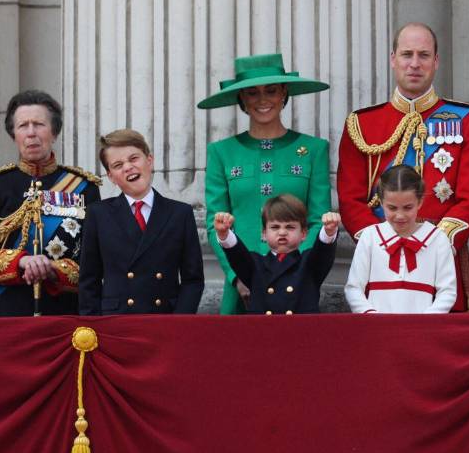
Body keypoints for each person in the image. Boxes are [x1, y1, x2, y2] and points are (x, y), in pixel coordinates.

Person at [337, 22, 469, 311]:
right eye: (407, 54)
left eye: (423, 55)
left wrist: (432, 245)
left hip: (441, 260)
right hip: (379, 264)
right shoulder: (362, 124)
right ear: (393, 59)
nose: (415, 64)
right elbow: (350, 199)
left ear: (436, 61)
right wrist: (381, 245)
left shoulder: (468, 119)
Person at [199, 53, 331, 314]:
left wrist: (299, 269)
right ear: (242, 100)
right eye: (252, 93)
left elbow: (318, 219)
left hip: (298, 285)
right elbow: (215, 224)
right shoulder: (221, 152)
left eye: (271, 91)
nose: (262, 100)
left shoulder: (314, 149)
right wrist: (237, 276)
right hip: (241, 285)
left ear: (284, 94)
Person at [78, 129, 204, 314]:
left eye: (134, 158)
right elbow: (89, 280)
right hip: (116, 321)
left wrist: (180, 322)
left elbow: (192, 280)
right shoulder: (98, 214)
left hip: (165, 320)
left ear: (149, 160)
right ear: (111, 176)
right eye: (118, 165)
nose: (128, 167)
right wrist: (94, 327)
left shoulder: (180, 213)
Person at [0, 90, 101, 316]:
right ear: (14, 135)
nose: (31, 133)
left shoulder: (85, 188)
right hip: (6, 314)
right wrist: (21, 262)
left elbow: (95, 261)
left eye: (39, 124)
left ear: (54, 132)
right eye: (23, 126)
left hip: (64, 314)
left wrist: (55, 270)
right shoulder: (2, 184)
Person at [345, 165, 456, 314]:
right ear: (381, 202)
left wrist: (426, 321)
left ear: (420, 202)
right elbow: (354, 288)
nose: (400, 215)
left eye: (407, 207)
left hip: (422, 330)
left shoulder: (438, 239)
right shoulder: (370, 236)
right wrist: (370, 315)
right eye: (392, 208)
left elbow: (447, 291)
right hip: (376, 329)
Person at [213, 194, 339, 314]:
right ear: (263, 233)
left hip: (301, 332)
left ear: (304, 234)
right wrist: (224, 234)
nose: (282, 232)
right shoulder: (256, 264)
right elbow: (237, 254)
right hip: (263, 332)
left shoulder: (308, 263)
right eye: (275, 227)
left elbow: (323, 252)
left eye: (290, 227)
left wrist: (329, 231)